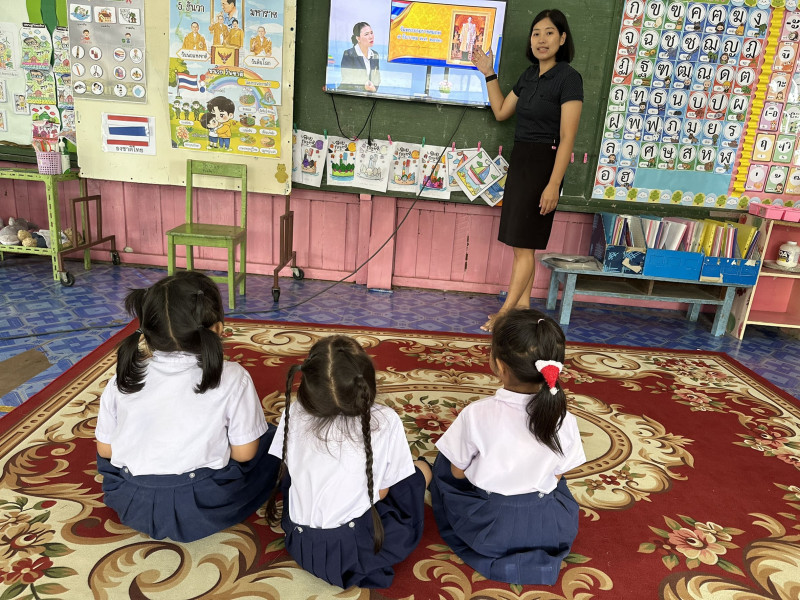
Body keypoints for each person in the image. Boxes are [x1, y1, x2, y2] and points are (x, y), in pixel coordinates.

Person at [95, 272, 279, 543]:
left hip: (131, 500)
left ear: (147, 332)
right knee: (272, 441)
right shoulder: (234, 376)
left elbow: (105, 450)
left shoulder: (123, 377)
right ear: (217, 329)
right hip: (201, 505)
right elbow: (244, 454)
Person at [430, 309, 586, 585]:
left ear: (499, 366)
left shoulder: (476, 414)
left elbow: (456, 472)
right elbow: (559, 474)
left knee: (445, 460)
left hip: (490, 528)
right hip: (550, 528)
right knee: (556, 481)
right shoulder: (565, 418)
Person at [265, 335, 432, 589]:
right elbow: (381, 492)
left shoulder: (294, 411)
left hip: (301, 543)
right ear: (366, 383)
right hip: (354, 552)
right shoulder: (385, 420)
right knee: (419, 472)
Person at [471, 9, 583, 332]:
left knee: (524, 246)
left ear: (562, 38)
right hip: (521, 162)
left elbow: (567, 138)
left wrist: (553, 184)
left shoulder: (569, 78)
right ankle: (522, 310)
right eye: (536, 34)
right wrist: (489, 74)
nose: (541, 40)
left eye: (549, 33)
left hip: (544, 166)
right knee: (522, 245)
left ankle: (506, 313)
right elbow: (501, 111)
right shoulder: (528, 75)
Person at [339, 22, 381, 93]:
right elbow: (347, 80)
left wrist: (374, 89)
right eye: (366, 34)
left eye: (371, 33)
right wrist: (364, 87)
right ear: (358, 38)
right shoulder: (349, 54)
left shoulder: (375, 55)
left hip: (368, 95)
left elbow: (377, 79)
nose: (371, 36)